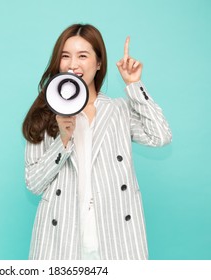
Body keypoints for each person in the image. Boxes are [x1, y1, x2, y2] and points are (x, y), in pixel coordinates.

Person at [22, 23, 172, 260]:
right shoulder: (44, 114)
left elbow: (160, 135)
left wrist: (134, 85)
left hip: (116, 236)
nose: (73, 64)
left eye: (83, 56)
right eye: (65, 56)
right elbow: (34, 183)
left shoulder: (118, 110)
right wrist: (63, 140)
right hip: (61, 237)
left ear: (99, 63)